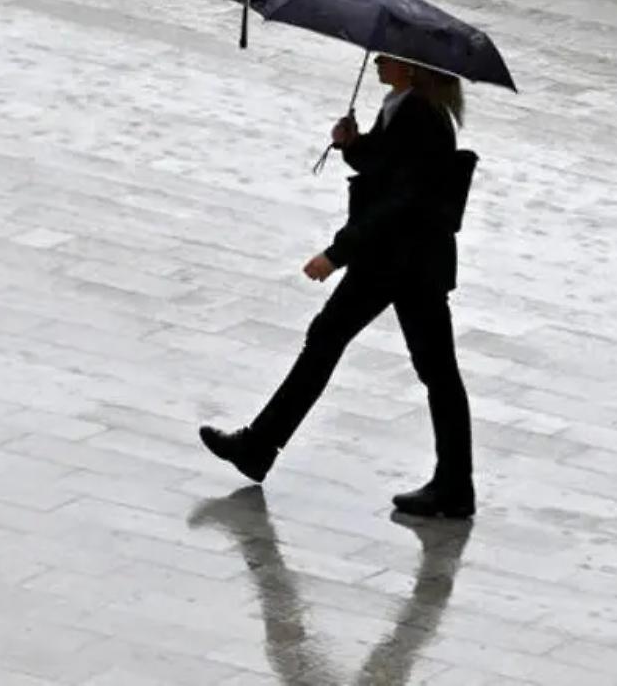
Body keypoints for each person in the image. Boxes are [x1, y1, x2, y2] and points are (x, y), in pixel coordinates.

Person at [198, 54, 476, 518]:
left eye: (388, 55)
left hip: (398, 261)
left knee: (415, 365)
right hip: (406, 260)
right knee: (420, 367)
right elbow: (389, 169)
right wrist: (353, 144)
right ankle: (260, 447)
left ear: (410, 67)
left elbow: (398, 202)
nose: (378, 60)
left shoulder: (419, 116)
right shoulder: (406, 108)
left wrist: (337, 253)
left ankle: (260, 446)